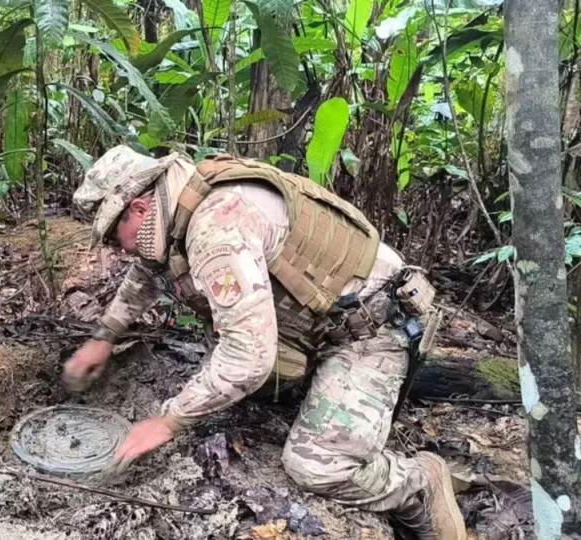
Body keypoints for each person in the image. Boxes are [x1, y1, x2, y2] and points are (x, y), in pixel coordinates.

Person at [64, 146, 466, 539]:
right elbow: (148, 272)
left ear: (137, 207)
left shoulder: (217, 227)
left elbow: (248, 357)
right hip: (319, 323)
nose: (117, 249)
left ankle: (418, 483)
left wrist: (167, 421)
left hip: (372, 331)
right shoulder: (178, 203)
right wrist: (104, 336)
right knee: (239, 386)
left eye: (114, 236)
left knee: (318, 466)